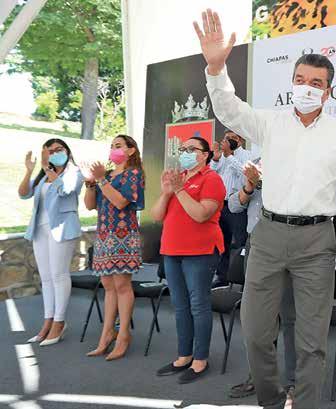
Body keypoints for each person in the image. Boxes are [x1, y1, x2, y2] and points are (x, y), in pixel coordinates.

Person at [195, 9, 336, 409]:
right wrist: (216, 68)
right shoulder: (269, 123)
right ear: (292, 82)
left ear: (328, 92)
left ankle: (303, 402)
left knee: (311, 341)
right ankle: (272, 400)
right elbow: (228, 108)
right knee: (256, 332)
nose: (307, 88)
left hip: (316, 241)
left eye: (316, 83)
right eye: (301, 80)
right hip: (269, 236)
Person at [150, 136, 226, 384]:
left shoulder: (211, 179)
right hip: (172, 250)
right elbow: (156, 215)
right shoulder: (178, 178)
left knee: (198, 305)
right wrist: (166, 193)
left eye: (191, 149)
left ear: (205, 155)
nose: (184, 152)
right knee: (180, 305)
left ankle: (200, 359)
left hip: (200, 251)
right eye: (182, 149)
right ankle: (184, 355)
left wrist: (180, 190)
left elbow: (201, 214)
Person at [227, 160, 297, 405]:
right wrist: (249, 185)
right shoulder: (254, 164)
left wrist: (265, 182)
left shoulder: (295, 160)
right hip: (256, 245)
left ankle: (293, 383)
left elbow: (295, 200)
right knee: (259, 318)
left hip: (286, 244)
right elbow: (234, 205)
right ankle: (261, 378)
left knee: (289, 316)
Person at [82, 135, 145, 361]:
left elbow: (120, 202)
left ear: (131, 150)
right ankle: (107, 333)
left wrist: (101, 180)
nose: (113, 149)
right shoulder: (107, 175)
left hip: (123, 236)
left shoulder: (133, 174)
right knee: (108, 286)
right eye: (112, 146)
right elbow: (90, 205)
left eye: (118, 146)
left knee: (122, 285)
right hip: (104, 235)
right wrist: (91, 184)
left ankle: (123, 334)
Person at [18, 138, 83, 346]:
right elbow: (23, 194)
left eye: (58, 149)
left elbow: (66, 190)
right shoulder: (43, 177)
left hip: (63, 229)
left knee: (59, 275)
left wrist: (50, 171)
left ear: (67, 151)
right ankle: (48, 321)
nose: (54, 153)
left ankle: (59, 321)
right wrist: (30, 171)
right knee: (46, 278)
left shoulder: (74, 172)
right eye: (50, 150)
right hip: (40, 229)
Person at [212, 130, 254, 287]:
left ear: (240, 141)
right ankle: (222, 277)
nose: (228, 140)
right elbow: (213, 172)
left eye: (232, 138)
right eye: (226, 138)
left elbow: (246, 175)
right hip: (220, 204)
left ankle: (239, 279)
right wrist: (216, 159)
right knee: (221, 242)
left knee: (238, 243)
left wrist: (229, 156)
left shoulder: (248, 155)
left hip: (237, 206)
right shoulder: (222, 156)